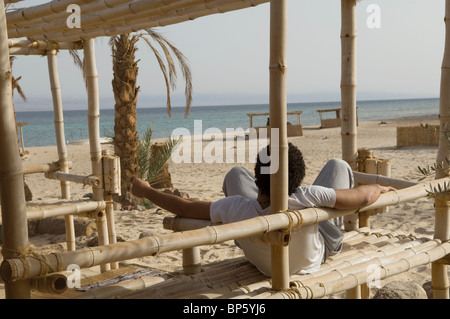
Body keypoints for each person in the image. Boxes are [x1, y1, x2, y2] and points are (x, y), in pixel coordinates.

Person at [131, 143, 395, 276]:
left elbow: (183, 206)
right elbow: (362, 196)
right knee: (338, 165)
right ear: (298, 179)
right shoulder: (307, 196)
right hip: (315, 256)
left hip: (266, 264)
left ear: (258, 178)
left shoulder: (235, 209)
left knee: (235, 174)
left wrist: (146, 191)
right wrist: (380, 189)